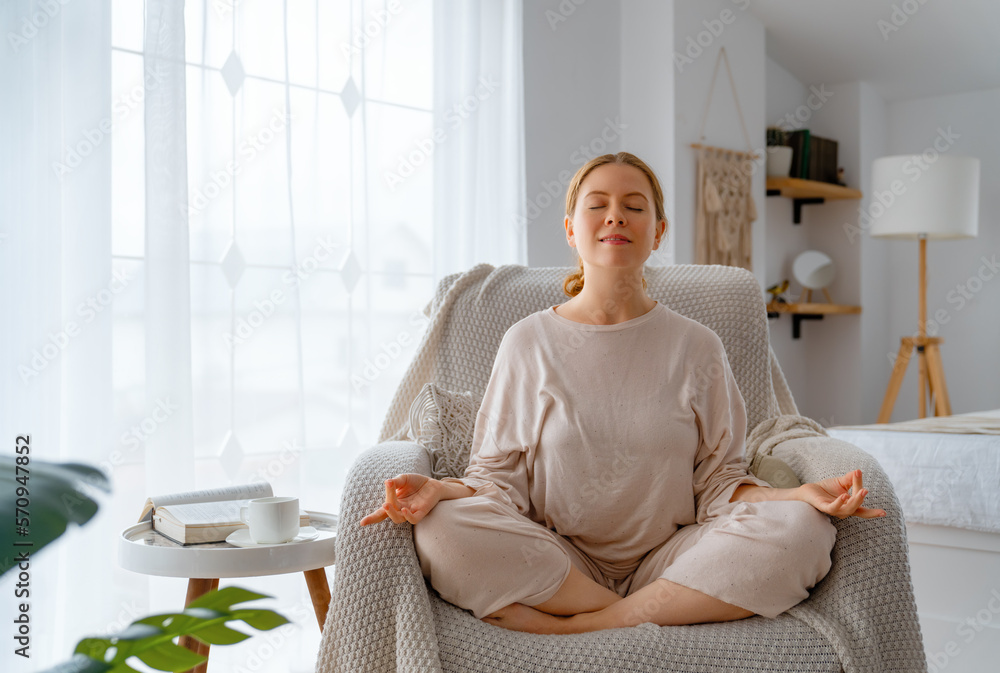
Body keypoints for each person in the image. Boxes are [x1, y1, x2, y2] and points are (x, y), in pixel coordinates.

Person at [360, 151, 886, 636]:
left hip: (676, 556)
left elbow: (721, 484)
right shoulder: (528, 342)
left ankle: (581, 625)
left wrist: (796, 496)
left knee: (804, 529)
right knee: (440, 530)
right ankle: (648, 608)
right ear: (571, 229)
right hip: (559, 558)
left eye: (634, 207)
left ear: (657, 232)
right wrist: (439, 491)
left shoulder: (698, 346)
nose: (616, 216)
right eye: (598, 205)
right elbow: (495, 481)